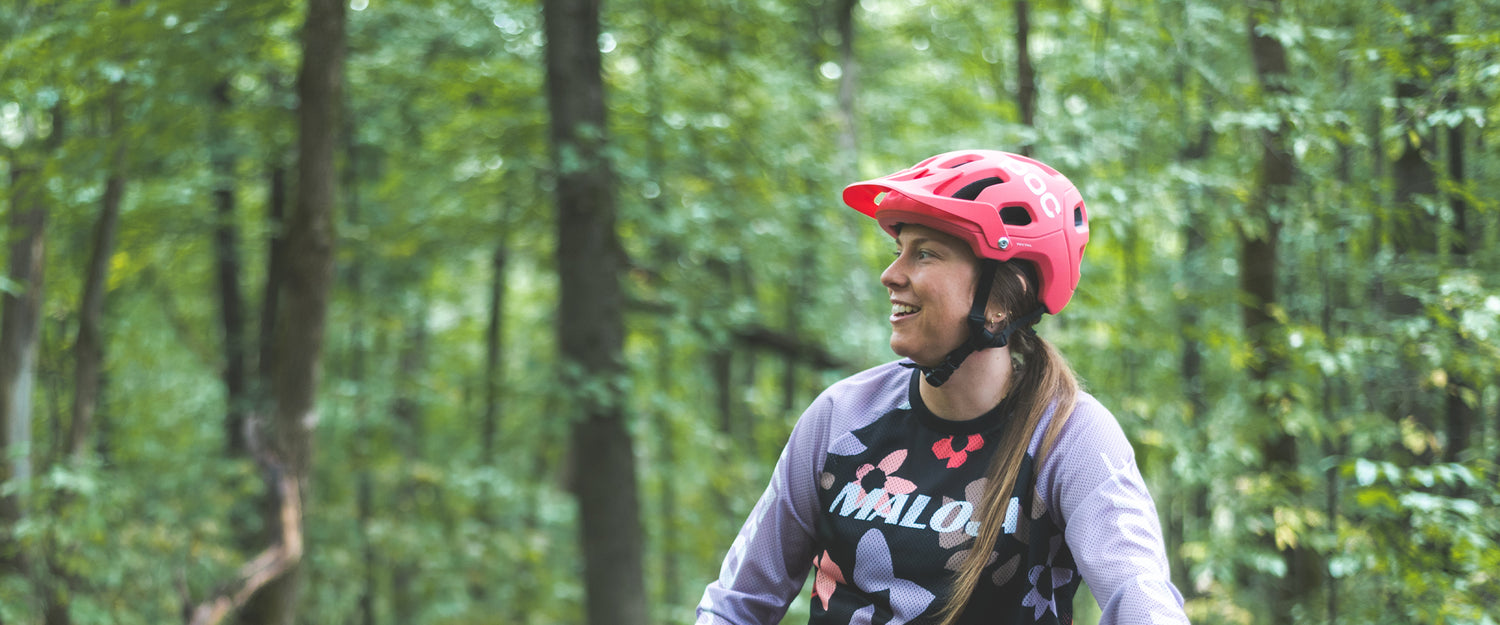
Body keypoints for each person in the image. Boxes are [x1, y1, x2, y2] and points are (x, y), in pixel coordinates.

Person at [694, 150, 1190, 625]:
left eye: (925, 254)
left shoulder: (1070, 434)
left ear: (1002, 298)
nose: (891, 275)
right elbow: (737, 604)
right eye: (898, 251)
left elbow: (1140, 598)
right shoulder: (843, 417)